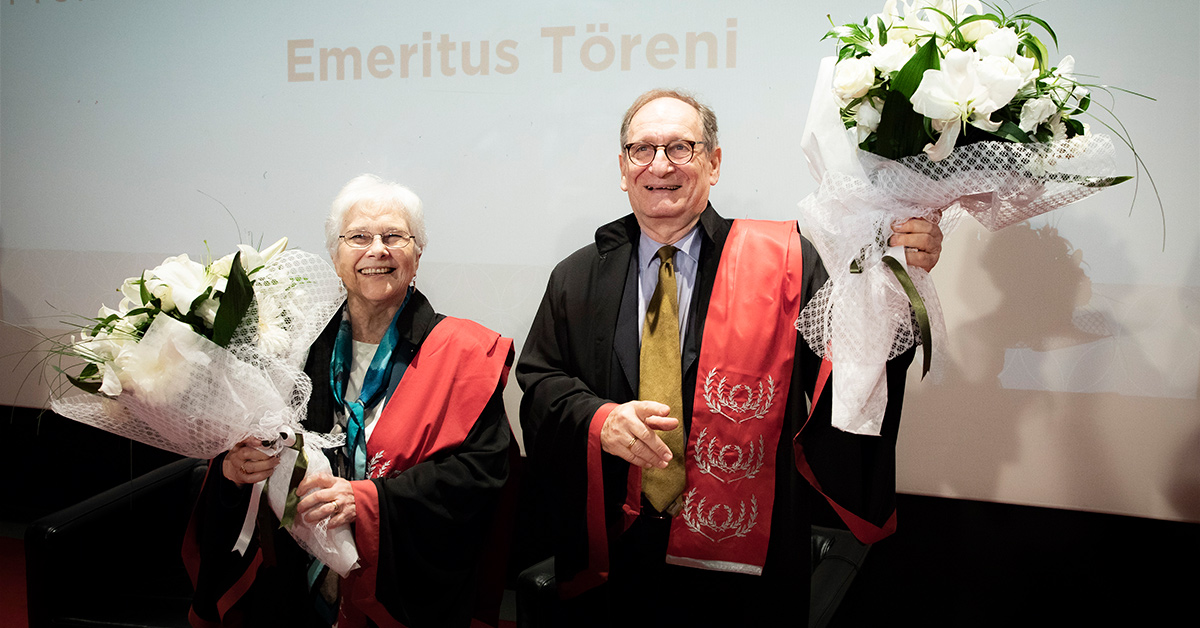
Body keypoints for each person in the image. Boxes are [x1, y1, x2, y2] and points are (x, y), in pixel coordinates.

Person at [516, 89, 942, 625]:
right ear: (623, 170)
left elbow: (852, 369)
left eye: (680, 148)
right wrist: (600, 420)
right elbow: (539, 380)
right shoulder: (578, 276)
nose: (659, 166)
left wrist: (901, 278)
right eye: (641, 150)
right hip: (618, 555)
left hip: (745, 566)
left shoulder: (783, 262)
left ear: (714, 163)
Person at [186, 174, 515, 628]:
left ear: (417, 255)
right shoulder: (289, 344)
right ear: (336, 258)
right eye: (358, 237)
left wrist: (372, 500)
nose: (376, 250)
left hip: (403, 587)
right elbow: (245, 439)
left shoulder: (462, 350)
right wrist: (233, 469)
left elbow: (484, 470)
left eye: (394, 236)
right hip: (294, 588)